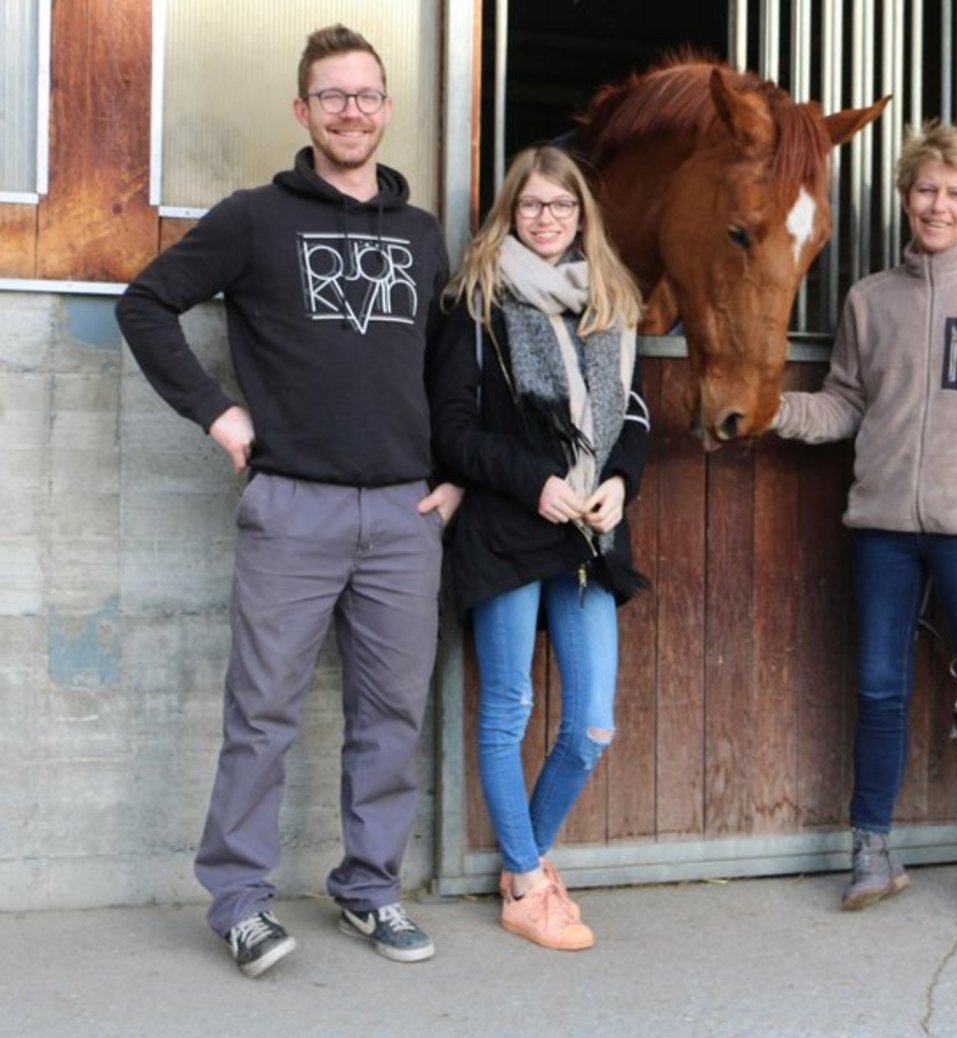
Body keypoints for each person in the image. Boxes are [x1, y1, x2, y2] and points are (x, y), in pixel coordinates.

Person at [116, 25, 457, 977]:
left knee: (391, 715)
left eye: (367, 95)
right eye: (332, 96)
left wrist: (455, 475)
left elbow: (450, 369)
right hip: (293, 508)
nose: (352, 111)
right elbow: (144, 305)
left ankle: (369, 891)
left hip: (401, 516)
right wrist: (220, 415)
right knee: (262, 714)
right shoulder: (255, 218)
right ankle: (238, 901)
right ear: (302, 111)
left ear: (387, 111)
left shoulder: (423, 234)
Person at [770, 121, 957, 923]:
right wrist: (770, 409)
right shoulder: (870, 299)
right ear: (905, 198)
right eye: (926, 189)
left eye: (955, 193)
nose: (938, 205)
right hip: (884, 530)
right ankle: (872, 847)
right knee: (877, 688)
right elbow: (844, 405)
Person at [431, 145, 649, 951]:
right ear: (508, 214)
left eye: (562, 206)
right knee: (510, 710)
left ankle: (529, 856)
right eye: (531, 206)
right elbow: (451, 430)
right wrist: (532, 482)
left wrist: (620, 481)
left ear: (583, 215)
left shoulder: (608, 300)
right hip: (508, 524)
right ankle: (526, 883)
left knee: (592, 724)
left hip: (591, 528)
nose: (547, 220)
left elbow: (632, 413)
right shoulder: (475, 302)